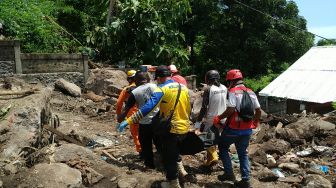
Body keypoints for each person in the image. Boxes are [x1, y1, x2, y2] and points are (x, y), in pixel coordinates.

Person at [118, 65, 191, 188]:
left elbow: (147, 107)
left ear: (160, 78)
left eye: (157, 78)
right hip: (184, 126)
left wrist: (129, 120)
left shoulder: (161, 89)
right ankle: (182, 171)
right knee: (174, 151)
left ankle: (173, 182)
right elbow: (189, 107)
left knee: (168, 155)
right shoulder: (183, 87)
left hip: (171, 127)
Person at [213, 69, 261, 188]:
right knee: (243, 154)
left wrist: (218, 118)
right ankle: (245, 180)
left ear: (231, 81)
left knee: (223, 146)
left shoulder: (233, 91)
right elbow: (258, 110)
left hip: (233, 129)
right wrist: (255, 121)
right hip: (247, 129)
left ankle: (229, 174)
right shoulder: (251, 92)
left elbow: (231, 109)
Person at [119, 71, 160, 169]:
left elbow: (126, 109)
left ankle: (150, 166)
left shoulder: (134, 93)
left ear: (136, 80)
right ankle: (162, 164)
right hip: (157, 121)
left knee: (146, 146)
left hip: (144, 123)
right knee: (159, 144)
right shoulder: (156, 87)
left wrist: (120, 118)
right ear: (148, 79)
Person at [194, 70, 227, 168]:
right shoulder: (224, 88)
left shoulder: (209, 89)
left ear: (207, 79)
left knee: (205, 138)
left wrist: (197, 125)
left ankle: (214, 157)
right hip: (223, 119)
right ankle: (209, 161)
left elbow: (204, 108)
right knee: (214, 139)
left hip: (211, 119)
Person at [116, 70, 141, 155]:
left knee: (136, 135)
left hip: (133, 116)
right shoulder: (143, 87)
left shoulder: (126, 90)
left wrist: (119, 116)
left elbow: (119, 104)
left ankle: (142, 154)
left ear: (129, 79)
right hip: (145, 114)